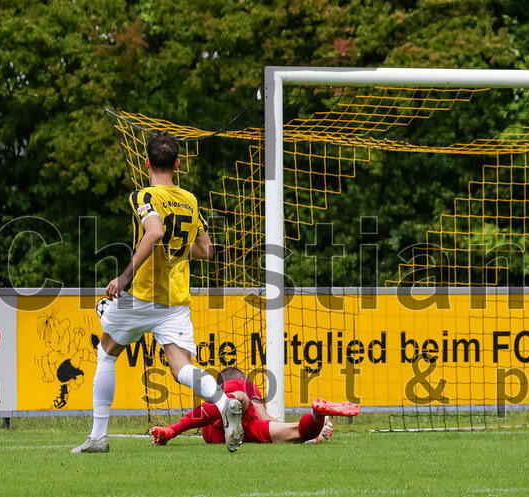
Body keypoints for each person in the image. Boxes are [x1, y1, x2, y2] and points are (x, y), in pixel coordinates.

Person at [73, 133, 245, 453]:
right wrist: (177, 248)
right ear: (178, 164)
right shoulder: (190, 201)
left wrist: (125, 276)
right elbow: (206, 251)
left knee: (107, 352)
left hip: (142, 294)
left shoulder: (144, 195)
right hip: (175, 299)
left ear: (147, 163)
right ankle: (223, 403)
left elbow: (154, 231)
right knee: (181, 369)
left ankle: (98, 437)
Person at [149, 367, 360, 445]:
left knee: (231, 400)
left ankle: (171, 430)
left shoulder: (222, 388)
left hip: (218, 433)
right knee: (295, 431)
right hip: (250, 428)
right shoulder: (243, 382)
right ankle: (315, 415)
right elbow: (262, 414)